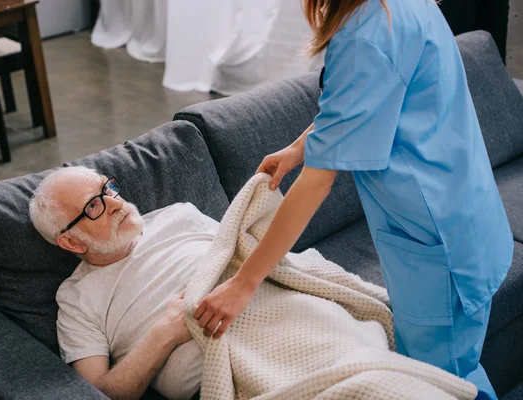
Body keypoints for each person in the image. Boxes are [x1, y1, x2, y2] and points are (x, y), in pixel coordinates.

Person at [193, 1, 513, 399]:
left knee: (443, 384)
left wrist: (244, 282)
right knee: (456, 370)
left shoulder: (366, 36)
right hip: (466, 215)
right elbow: (367, 101)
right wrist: (299, 148)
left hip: (436, 246)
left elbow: (317, 184)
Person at [29, 166, 213, 400]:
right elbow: (97, 394)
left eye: (107, 188)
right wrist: (167, 331)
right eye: (93, 206)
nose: (116, 203)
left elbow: (249, 251)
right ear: (72, 242)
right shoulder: (76, 300)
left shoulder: (179, 215)